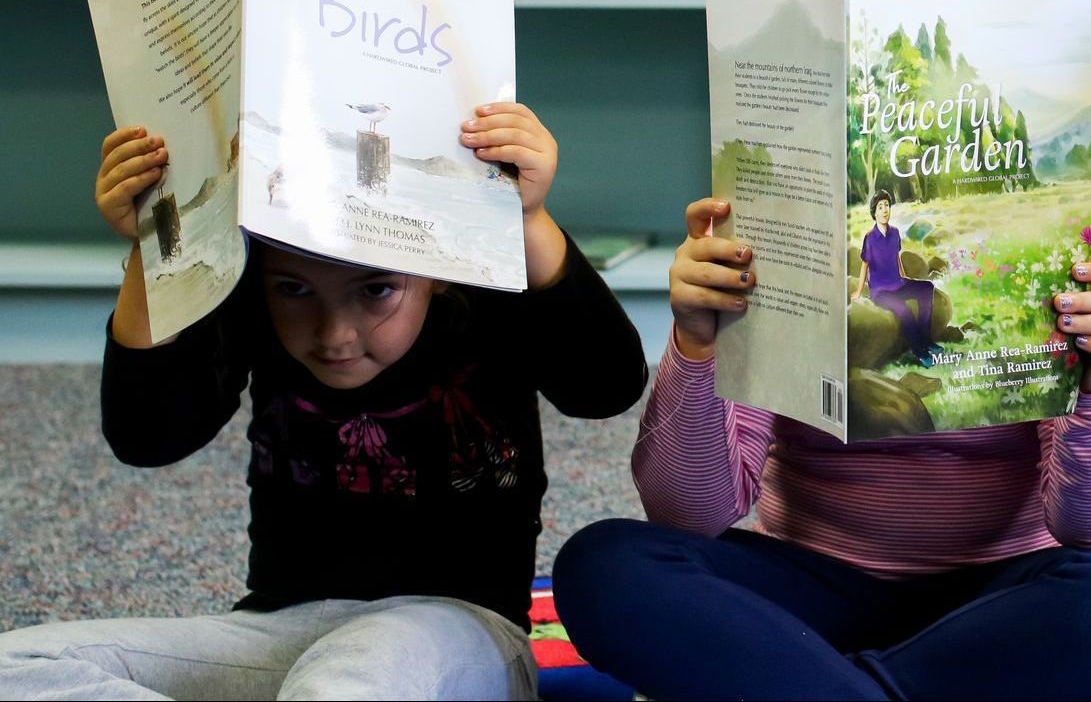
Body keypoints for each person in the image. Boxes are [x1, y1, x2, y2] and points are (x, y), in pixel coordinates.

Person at [552, 0, 1091, 701]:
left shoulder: (1053, 268)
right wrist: (697, 342)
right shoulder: (781, 239)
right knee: (603, 566)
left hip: (1005, 595)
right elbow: (688, 513)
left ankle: (831, 693)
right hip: (812, 592)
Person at [0, 102, 647, 701]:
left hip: (451, 632)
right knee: (15, 668)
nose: (334, 335)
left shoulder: (479, 293)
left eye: (375, 292)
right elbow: (148, 434)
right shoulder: (255, 299)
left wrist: (528, 217)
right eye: (296, 291)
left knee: (345, 682)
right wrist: (156, 245)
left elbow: (606, 385)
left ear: (436, 271)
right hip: (278, 627)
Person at [858, 188, 939, 365]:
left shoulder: (894, 232)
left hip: (898, 284)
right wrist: (858, 292)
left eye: (887, 205)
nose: (885, 210)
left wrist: (904, 277)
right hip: (881, 291)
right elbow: (865, 265)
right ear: (874, 212)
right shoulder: (870, 238)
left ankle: (926, 340)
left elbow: (896, 257)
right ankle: (921, 353)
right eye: (880, 207)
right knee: (904, 310)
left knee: (927, 288)